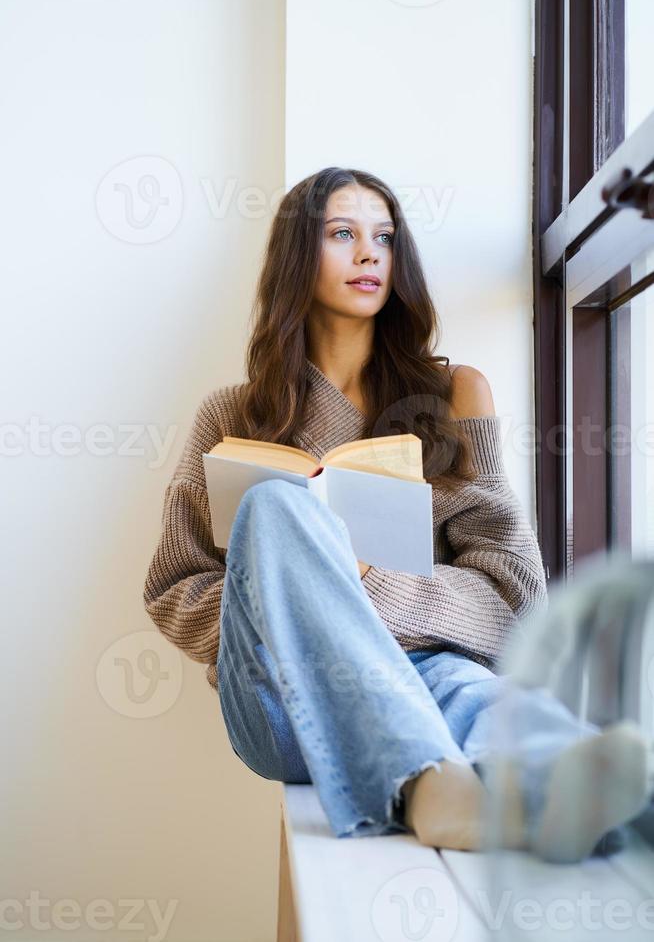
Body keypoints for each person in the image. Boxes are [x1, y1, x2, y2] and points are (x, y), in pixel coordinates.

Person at [143, 166, 654, 863]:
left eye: (383, 236)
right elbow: (173, 591)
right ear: (298, 257)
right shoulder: (232, 414)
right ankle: (427, 785)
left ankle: (570, 786)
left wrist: (367, 582)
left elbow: (513, 596)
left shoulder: (454, 397)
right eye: (342, 234)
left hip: (430, 679)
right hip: (284, 704)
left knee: (469, 689)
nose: (368, 254)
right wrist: (297, 583)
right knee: (274, 504)